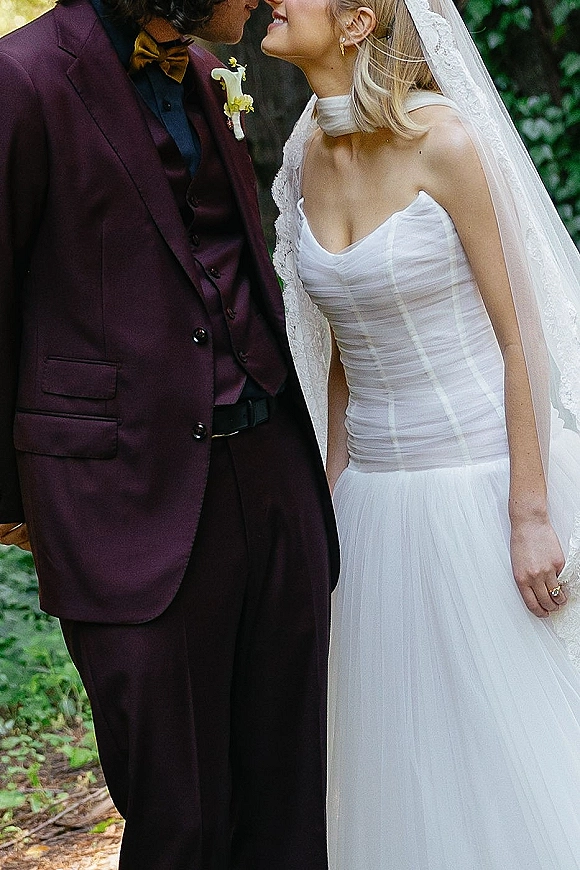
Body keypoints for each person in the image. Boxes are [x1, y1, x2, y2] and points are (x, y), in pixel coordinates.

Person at [0, 0, 340, 866]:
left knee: (290, 805)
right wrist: (28, 507)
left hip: (270, 479)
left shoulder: (197, 67)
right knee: (180, 825)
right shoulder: (23, 78)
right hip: (125, 505)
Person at [262, 0, 580, 867]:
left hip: (483, 484)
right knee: (398, 758)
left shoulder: (446, 143)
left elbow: (523, 340)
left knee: (509, 754)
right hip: (371, 505)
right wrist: (327, 503)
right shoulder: (303, 156)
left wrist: (528, 511)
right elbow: (335, 358)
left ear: (358, 23)